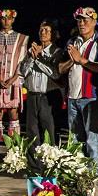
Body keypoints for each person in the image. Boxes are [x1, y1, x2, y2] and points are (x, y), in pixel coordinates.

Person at [59, 7, 98, 165]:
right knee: (74, 139)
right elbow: (60, 68)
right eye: (79, 20)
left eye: (85, 20)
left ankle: (93, 175)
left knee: (91, 139)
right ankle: (75, 173)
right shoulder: (71, 41)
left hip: (92, 97)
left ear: (94, 22)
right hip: (73, 96)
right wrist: (72, 60)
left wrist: (81, 60)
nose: (81, 23)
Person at [0, 8, 29, 154]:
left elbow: (23, 61)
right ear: (0, 20)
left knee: (13, 113)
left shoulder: (21, 38)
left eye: (9, 19)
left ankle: (14, 148)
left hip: (13, 80)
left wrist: (14, 78)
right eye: (3, 19)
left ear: (13, 20)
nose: (6, 21)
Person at [20, 19, 62, 147]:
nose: (43, 33)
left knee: (49, 130)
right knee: (32, 131)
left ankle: (51, 160)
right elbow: (23, 71)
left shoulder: (57, 52)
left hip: (48, 96)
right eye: (41, 30)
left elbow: (54, 73)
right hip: (32, 95)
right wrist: (32, 58)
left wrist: (38, 58)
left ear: (53, 34)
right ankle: (34, 163)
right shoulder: (32, 50)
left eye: (47, 31)